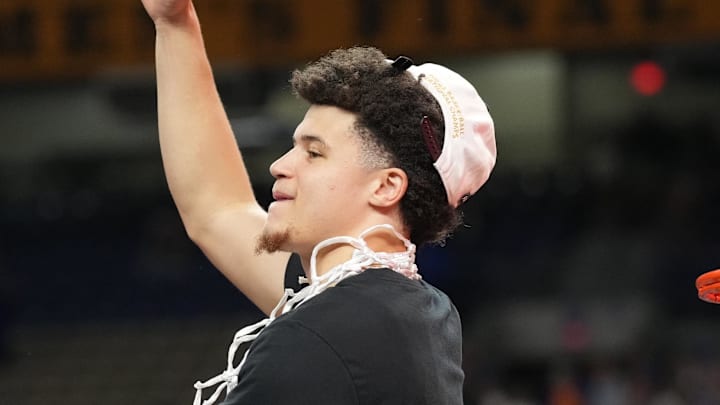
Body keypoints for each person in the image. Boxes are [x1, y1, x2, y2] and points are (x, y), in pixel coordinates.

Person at [140, 0, 496, 404]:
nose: (278, 166)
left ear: (385, 187)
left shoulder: (320, 340)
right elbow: (216, 209)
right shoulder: (411, 313)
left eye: (314, 152)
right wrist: (175, 24)